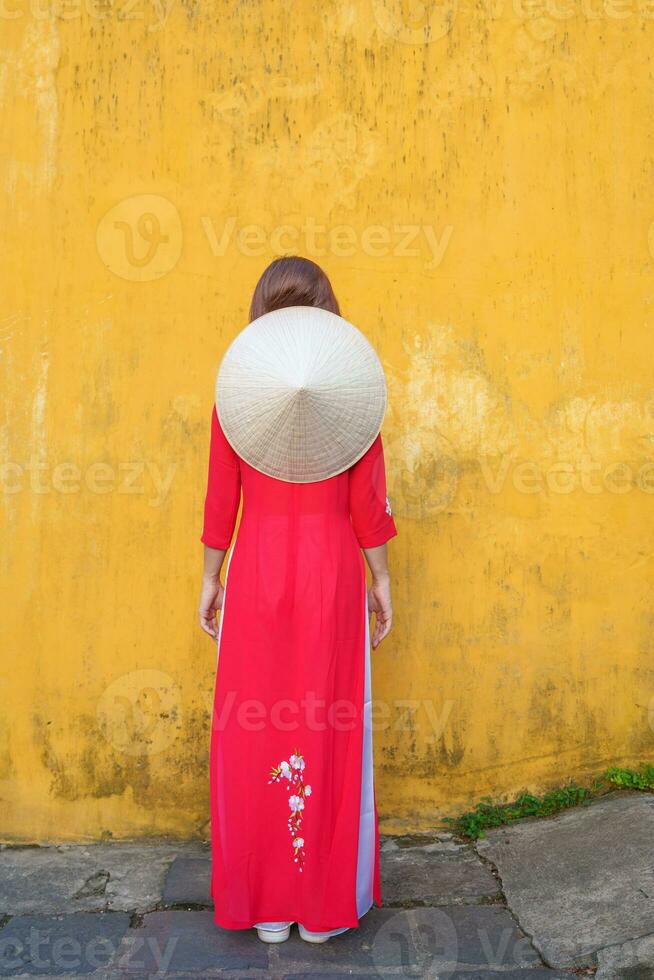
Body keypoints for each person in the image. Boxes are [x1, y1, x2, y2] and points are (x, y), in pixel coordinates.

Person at [198, 256, 397, 944]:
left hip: (255, 572)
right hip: (332, 573)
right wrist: (382, 581)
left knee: (252, 731)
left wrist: (210, 577)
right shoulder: (354, 395)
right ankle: (320, 906)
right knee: (329, 724)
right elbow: (366, 505)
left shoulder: (236, 394)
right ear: (327, 311)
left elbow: (222, 497)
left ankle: (267, 909)